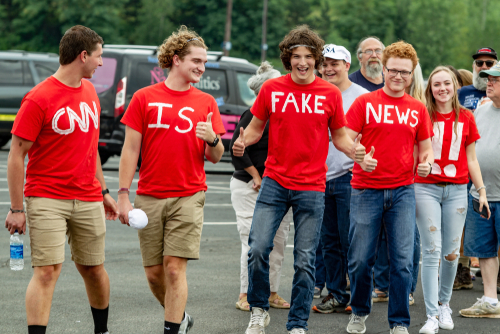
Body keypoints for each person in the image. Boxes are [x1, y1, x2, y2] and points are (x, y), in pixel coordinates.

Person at [232, 25, 373, 334]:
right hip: (275, 182)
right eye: (296, 56)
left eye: (309, 56)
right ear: (288, 58)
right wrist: (243, 143)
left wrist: (356, 152)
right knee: (257, 248)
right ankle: (259, 311)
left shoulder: (330, 93)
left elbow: (339, 137)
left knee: (305, 260)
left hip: (311, 187)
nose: (303, 62)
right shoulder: (272, 89)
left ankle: (297, 324)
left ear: (316, 60)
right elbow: (255, 129)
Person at [4, 25, 118, 334]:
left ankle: (101, 331)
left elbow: (89, 146)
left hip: (89, 197)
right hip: (46, 198)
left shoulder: (90, 91)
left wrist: (104, 190)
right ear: (83, 56)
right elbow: (16, 155)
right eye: (99, 56)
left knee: (94, 269)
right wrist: (17, 208)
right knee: (47, 272)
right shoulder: (38, 98)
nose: (101, 62)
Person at [117, 26, 225, 334]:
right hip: (149, 196)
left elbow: (216, 156)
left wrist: (213, 138)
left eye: (204, 63)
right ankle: (180, 317)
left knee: (175, 269)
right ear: (176, 59)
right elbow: (130, 149)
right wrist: (123, 194)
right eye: (196, 61)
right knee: (154, 274)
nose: (201, 68)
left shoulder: (206, 102)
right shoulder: (143, 98)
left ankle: (171, 329)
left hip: (189, 194)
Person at [345, 41, 434, 334]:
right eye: (393, 70)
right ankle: (359, 312)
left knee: (402, 261)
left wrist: (427, 164)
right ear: (383, 70)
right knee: (360, 259)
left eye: (404, 72)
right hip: (365, 189)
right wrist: (357, 153)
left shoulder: (418, 109)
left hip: (403, 192)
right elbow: (346, 138)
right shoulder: (365, 103)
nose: (398, 76)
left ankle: (399, 322)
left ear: (412, 75)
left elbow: (426, 149)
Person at [415, 66, 490, 333]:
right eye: (437, 84)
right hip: (426, 189)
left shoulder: (467, 117)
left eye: (447, 83)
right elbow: (415, 154)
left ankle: (444, 305)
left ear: (455, 86)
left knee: (451, 253)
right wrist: (419, 167)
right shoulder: (422, 114)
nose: (442, 89)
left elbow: (471, 158)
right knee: (431, 251)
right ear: (430, 88)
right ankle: (431, 315)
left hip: (457, 190)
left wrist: (481, 190)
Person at [230, 61, 292, 312]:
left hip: (279, 186)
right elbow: (236, 151)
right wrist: (256, 175)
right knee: (252, 242)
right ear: (260, 92)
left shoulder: (285, 115)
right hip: (248, 187)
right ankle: (245, 294)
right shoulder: (251, 115)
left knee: (278, 243)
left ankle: (272, 292)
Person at [312, 44, 369, 315]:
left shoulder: (362, 96)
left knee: (353, 242)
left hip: (349, 178)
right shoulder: (317, 93)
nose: (328, 68)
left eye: (334, 63)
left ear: (347, 65)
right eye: (324, 63)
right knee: (329, 242)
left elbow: (371, 136)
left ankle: (358, 297)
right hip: (320, 179)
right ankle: (336, 294)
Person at [460, 63, 500, 318]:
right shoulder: (481, 109)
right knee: (484, 251)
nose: (490, 82)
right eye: (488, 79)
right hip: (481, 194)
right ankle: (490, 300)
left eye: (496, 79)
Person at [406, 62, 426, 307]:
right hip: (390, 175)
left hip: (416, 178)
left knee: (410, 236)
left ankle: (408, 288)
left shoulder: (421, 105)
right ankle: (383, 285)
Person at [458, 47, 497, 111]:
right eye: (479, 63)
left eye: (489, 63)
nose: (484, 67)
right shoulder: (462, 93)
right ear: (473, 66)